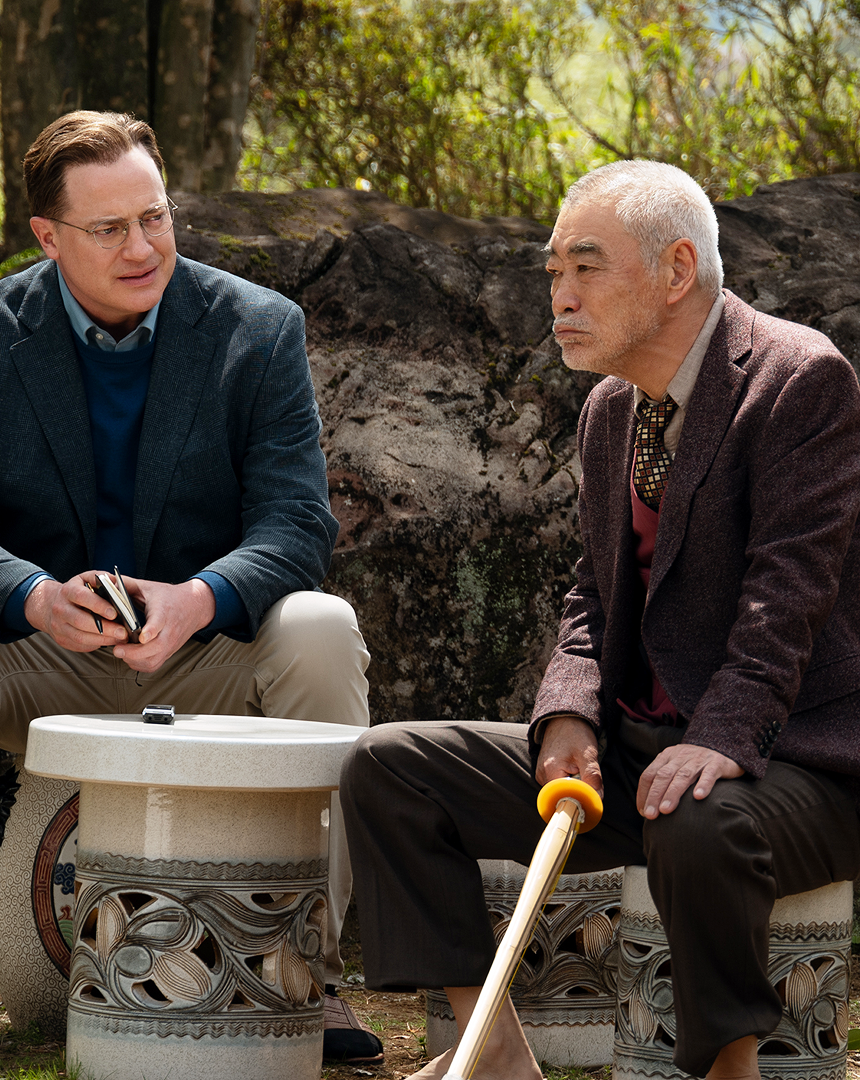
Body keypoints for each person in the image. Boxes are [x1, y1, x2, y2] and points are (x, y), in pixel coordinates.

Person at [0, 110, 376, 1066]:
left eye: (156, 218)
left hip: (209, 656)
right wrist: (32, 598)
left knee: (320, 626)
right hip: (44, 664)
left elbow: (298, 523)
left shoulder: (260, 330)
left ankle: (313, 975)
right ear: (48, 236)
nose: (143, 246)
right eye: (109, 229)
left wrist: (200, 597)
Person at [341, 159, 860, 1080]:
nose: (561, 297)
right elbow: (593, 593)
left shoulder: (799, 380)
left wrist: (721, 739)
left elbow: (789, 596)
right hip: (642, 751)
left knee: (696, 820)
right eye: (553, 273)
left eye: (587, 268)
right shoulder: (611, 409)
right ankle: (490, 1048)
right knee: (392, 769)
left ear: (674, 270)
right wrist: (570, 713)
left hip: (796, 762)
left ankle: (726, 1072)